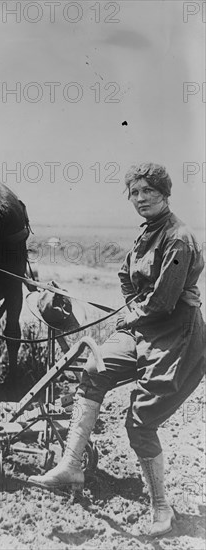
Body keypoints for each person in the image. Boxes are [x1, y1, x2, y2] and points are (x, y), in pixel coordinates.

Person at [28, 162, 206, 537]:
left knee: (140, 422)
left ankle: (162, 509)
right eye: (135, 193)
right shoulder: (147, 234)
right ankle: (71, 466)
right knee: (94, 370)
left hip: (177, 335)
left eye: (149, 192)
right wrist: (132, 307)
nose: (140, 199)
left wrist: (134, 314)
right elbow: (126, 275)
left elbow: (163, 300)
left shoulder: (178, 237)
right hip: (144, 328)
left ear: (165, 194)